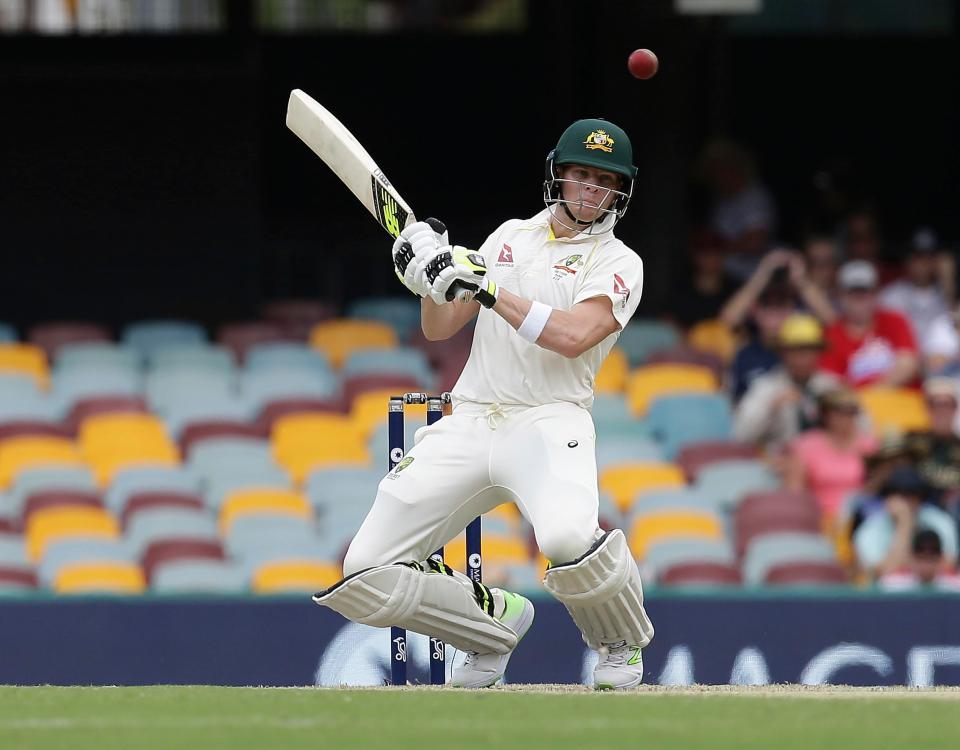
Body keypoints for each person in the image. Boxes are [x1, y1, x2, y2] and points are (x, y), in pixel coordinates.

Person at [314, 118, 654, 690]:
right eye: (582, 176)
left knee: (570, 539)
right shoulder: (508, 238)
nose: (593, 190)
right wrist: (431, 280)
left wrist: (489, 289)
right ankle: (490, 625)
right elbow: (440, 327)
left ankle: (618, 641)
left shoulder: (620, 263)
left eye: (606, 181)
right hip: (472, 417)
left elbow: (573, 335)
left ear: (621, 191)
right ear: (559, 176)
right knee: (365, 572)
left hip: (550, 418)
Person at [721, 248, 836, 400]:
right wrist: (762, 273)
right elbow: (728, 319)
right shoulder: (745, 353)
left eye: (781, 307)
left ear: (793, 312)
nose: (774, 316)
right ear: (756, 312)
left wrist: (801, 280)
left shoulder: (803, 346)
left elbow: (831, 320)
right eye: (768, 308)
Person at [733, 314, 838, 454]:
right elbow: (741, 434)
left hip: (828, 464)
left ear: (818, 353)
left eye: (808, 350)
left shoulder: (832, 386)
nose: (802, 358)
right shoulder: (765, 387)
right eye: (795, 350)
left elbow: (863, 430)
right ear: (782, 353)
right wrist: (771, 409)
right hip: (779, 465)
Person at [818, 260, 919, 387]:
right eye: (852, 292)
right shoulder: (832, 334)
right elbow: (832, 380)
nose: (859, 298)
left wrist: (873, 394)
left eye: (865, 291)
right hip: (853, 405)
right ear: (840, 295)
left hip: (900, 401)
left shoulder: (895, 320)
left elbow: (908, 365)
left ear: (876, 292)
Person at [784, 387, 878, 522]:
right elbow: (795, 492)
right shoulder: (806, 445)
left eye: (852, 412)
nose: (848, 418)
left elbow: (876, 487)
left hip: (860, 519)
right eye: (841, 413)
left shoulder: (869, 445)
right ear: (826, 415)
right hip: (818, 519)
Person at [852, 467, 958, 581]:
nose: (908, 502)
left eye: (913, 495)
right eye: (902, 495)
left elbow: (949, 565)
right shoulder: (870, 530)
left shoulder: (940, 520)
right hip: (888, 597)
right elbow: (882, 573)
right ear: (888, 499)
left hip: (935, 594)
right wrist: (905, 523)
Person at [699, 138, 777, 281]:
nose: (718, 174)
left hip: (751, 279)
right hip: (722, 278)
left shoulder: (754, 196)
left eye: (723, 166)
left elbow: (755, 242)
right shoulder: (721, 202)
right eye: (714, 168)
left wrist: (715, 247)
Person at [879, 227, 954, 343]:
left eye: (929, 257)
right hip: (903, 357)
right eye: (917, 257)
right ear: (907, 260)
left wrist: (948, 282)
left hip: (941, 359)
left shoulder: (947, 294)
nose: (922, 264)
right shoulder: (891, 295)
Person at [903, 378, 960, 508]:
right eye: (936, 405)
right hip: (918, 509)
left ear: (955, 409)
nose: (942, 411)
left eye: (947, 405)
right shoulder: (911, 442)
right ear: (927, 409)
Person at [878, 529, 960, 591]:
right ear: (911, 558)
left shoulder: (954, 586)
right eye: (921, 559)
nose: (926, 566)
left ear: (941, 558)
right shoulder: (892, 585)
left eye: (931, 559)